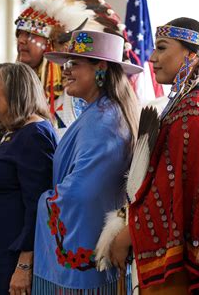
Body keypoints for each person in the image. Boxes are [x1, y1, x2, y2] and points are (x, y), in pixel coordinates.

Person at [110, 18, 199, 294]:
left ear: (191, 56)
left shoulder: (193, 114)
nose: (152, 58)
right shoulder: (186, 106)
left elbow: (172, 192)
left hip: (175, 265)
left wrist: (128, 233)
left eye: (161, 48)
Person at [29, 30, 141, 293]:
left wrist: (42, 200)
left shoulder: (104, 119)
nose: (65, 71)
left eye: (74, 64)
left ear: (100, 68)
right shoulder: (103, 111)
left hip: (90, 263)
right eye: (66, 64)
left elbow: (82, 194)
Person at [0, 63, 57, 294]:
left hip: (14, 259)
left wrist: (24, 264)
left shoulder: (35, 135)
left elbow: (38, 206)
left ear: (16, 89)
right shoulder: (15, 132)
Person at [15, 0, 137, 137]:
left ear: (52, 41)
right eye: (19, 34)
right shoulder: (28, 91)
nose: (21, 40)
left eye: (30, 34)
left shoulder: (78, 95)